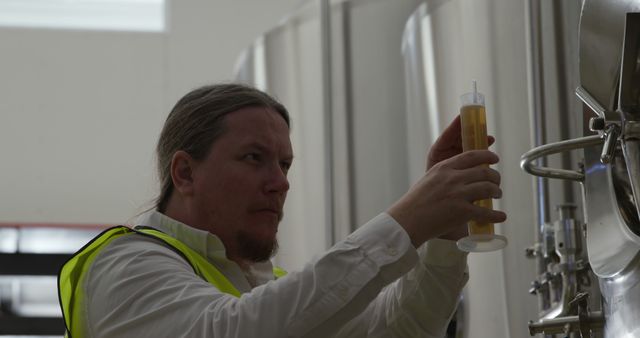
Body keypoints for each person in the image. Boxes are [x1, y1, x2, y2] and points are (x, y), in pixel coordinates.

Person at [58, 83, 505, 337]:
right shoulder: (125, 265)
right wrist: (406, 221)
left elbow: (396, 330)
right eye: (254, 158)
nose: (281, 182)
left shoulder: (262, 291)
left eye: (285, 163)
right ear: (185, 173)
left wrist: (444, 236)